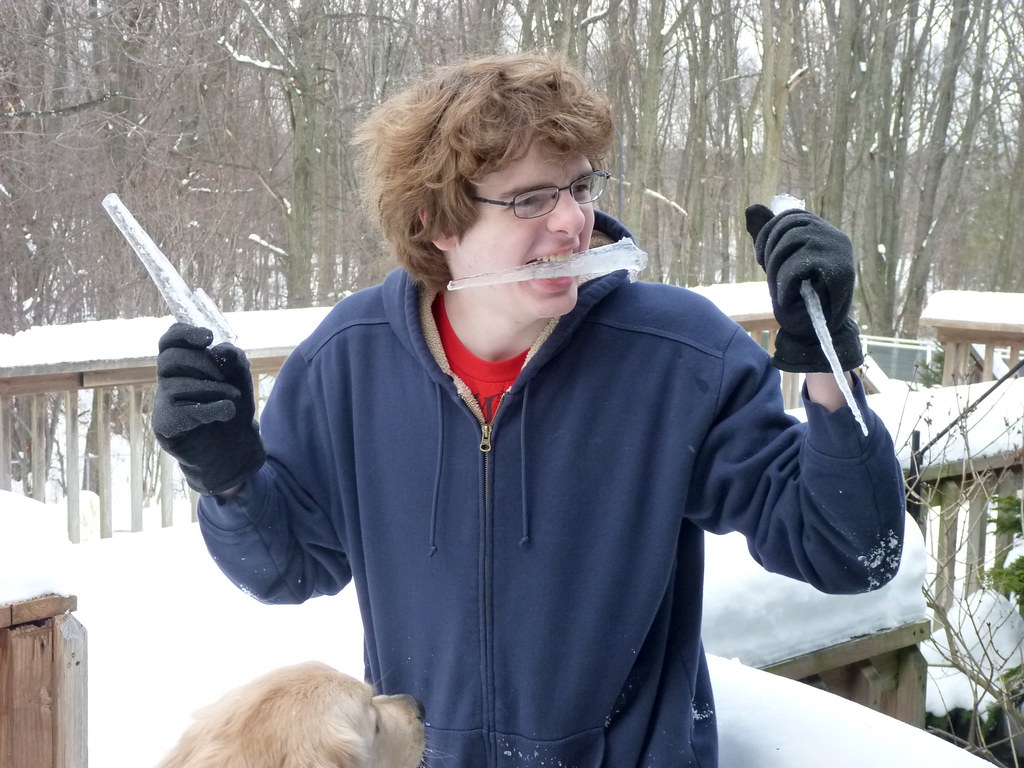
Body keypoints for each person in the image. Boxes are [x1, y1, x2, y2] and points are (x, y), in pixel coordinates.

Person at [151, 52, 906, 767]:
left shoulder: (678, 358)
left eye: (580, 188)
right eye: (531, 199)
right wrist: (228, 474)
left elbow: (849, 552)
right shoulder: (348, 362)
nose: (574, 223)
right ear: (435, 223)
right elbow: (286, 568)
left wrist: (828, 369)